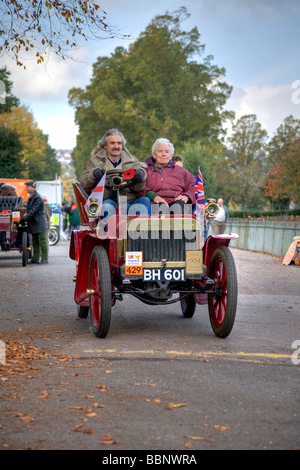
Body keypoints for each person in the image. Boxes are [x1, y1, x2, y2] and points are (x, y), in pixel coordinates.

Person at [79, 129, 151, 219]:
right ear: (105, 145)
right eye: (112, 143)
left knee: (145, 201)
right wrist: (94, 174)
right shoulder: (95, 161)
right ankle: (108, 232)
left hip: (129, 200)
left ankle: (142, 231)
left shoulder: (132, 161)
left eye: (119, 143)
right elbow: (84, 183)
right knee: (107, 207)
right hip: (107, 200)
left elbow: (138, 188)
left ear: (122, 145)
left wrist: (140, 177)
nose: (116, 146)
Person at [141, 138, 196, 213]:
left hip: (177, 203)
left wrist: (187, 196)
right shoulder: (145, 170)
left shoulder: (181, 171)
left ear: (170, 156)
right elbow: (139, 186)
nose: (164, 154)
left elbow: (194, 185)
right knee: (161, 209)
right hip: (155, 204)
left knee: (179, 206)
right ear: (154, 155)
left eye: (167, 152)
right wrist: (155, 197)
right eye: (160, 151)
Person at [22, 181, 48, 264]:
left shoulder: (37, 197)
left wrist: (25, 217)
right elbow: (29, 208)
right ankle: (35, 258)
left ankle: (45, 258)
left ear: (33, 187)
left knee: (42, 241)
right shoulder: (32, 196)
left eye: (28, 187)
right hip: (35, 222)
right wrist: (26, 212)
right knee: (35, 241)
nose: (26, 188)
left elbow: (34, 210)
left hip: (39, 223)